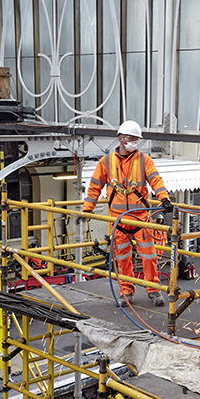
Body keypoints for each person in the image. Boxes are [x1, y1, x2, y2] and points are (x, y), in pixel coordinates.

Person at [83, 120, 174, 307]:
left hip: (141, 219)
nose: (134, 142)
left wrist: (164, 198)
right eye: (131, 138)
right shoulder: (106, 162)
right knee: (122, 258)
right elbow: (94, 186)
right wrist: (87, 209)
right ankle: (126, 292)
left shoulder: (144, 160)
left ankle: (153, 290)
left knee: (149, 256)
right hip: (118, 221)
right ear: (121, 138)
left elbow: (155, 179)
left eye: (136, 139)